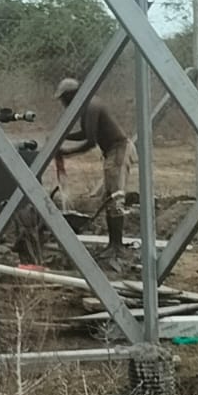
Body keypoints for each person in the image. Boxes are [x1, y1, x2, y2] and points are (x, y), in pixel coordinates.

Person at [53, 77, 133, 260]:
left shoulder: (91, 106)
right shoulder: (88, 106)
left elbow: (90, 141)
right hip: (113, 151)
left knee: (115, 197)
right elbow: (86, 133)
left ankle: (116, 246)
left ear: (71, 95)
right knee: (110, 197)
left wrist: (66, 152)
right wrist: (62, 136)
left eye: (64, 99)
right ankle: (113, 245)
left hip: (118, 149)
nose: (64, 104)